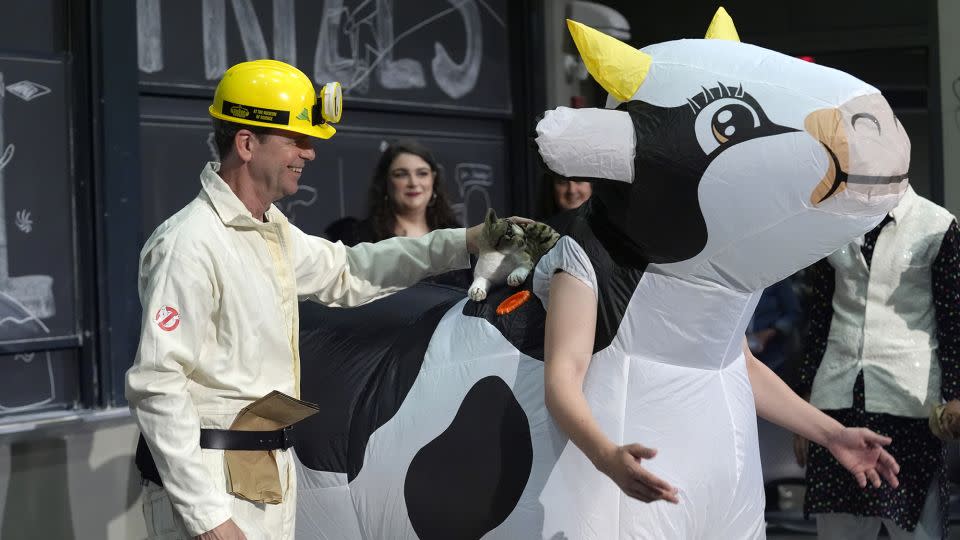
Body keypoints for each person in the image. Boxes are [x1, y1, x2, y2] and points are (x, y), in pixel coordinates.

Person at [125, 60, 496, 540]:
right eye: (297, 140)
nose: (310, 152)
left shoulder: (269, 230)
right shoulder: (189, 243)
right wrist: (208, 519)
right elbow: (158, 384)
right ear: (246, 143)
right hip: (215, 487)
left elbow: (349, 271)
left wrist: (464, 240)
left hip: (258, 472)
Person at [792, 185, 960, 539]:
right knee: (838, 527)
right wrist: (803, 404)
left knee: (916, 528)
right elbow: (819, 316)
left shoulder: (936, 224)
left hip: (909, 399)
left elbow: (953, 319)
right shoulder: (833, 221)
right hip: (836, 395)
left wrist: (956, 393)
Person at [324, 139, 471, 288]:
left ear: (433, 179)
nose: (413, 183)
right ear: (385, 182)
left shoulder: (456, 234)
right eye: (401, 174)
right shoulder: (359, 236)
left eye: (422, 173)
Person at [746, 277, 802, 374]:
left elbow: (794, 313)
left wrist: (770, 332)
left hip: (772, 351)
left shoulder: (778, 278)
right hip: (740, 348)